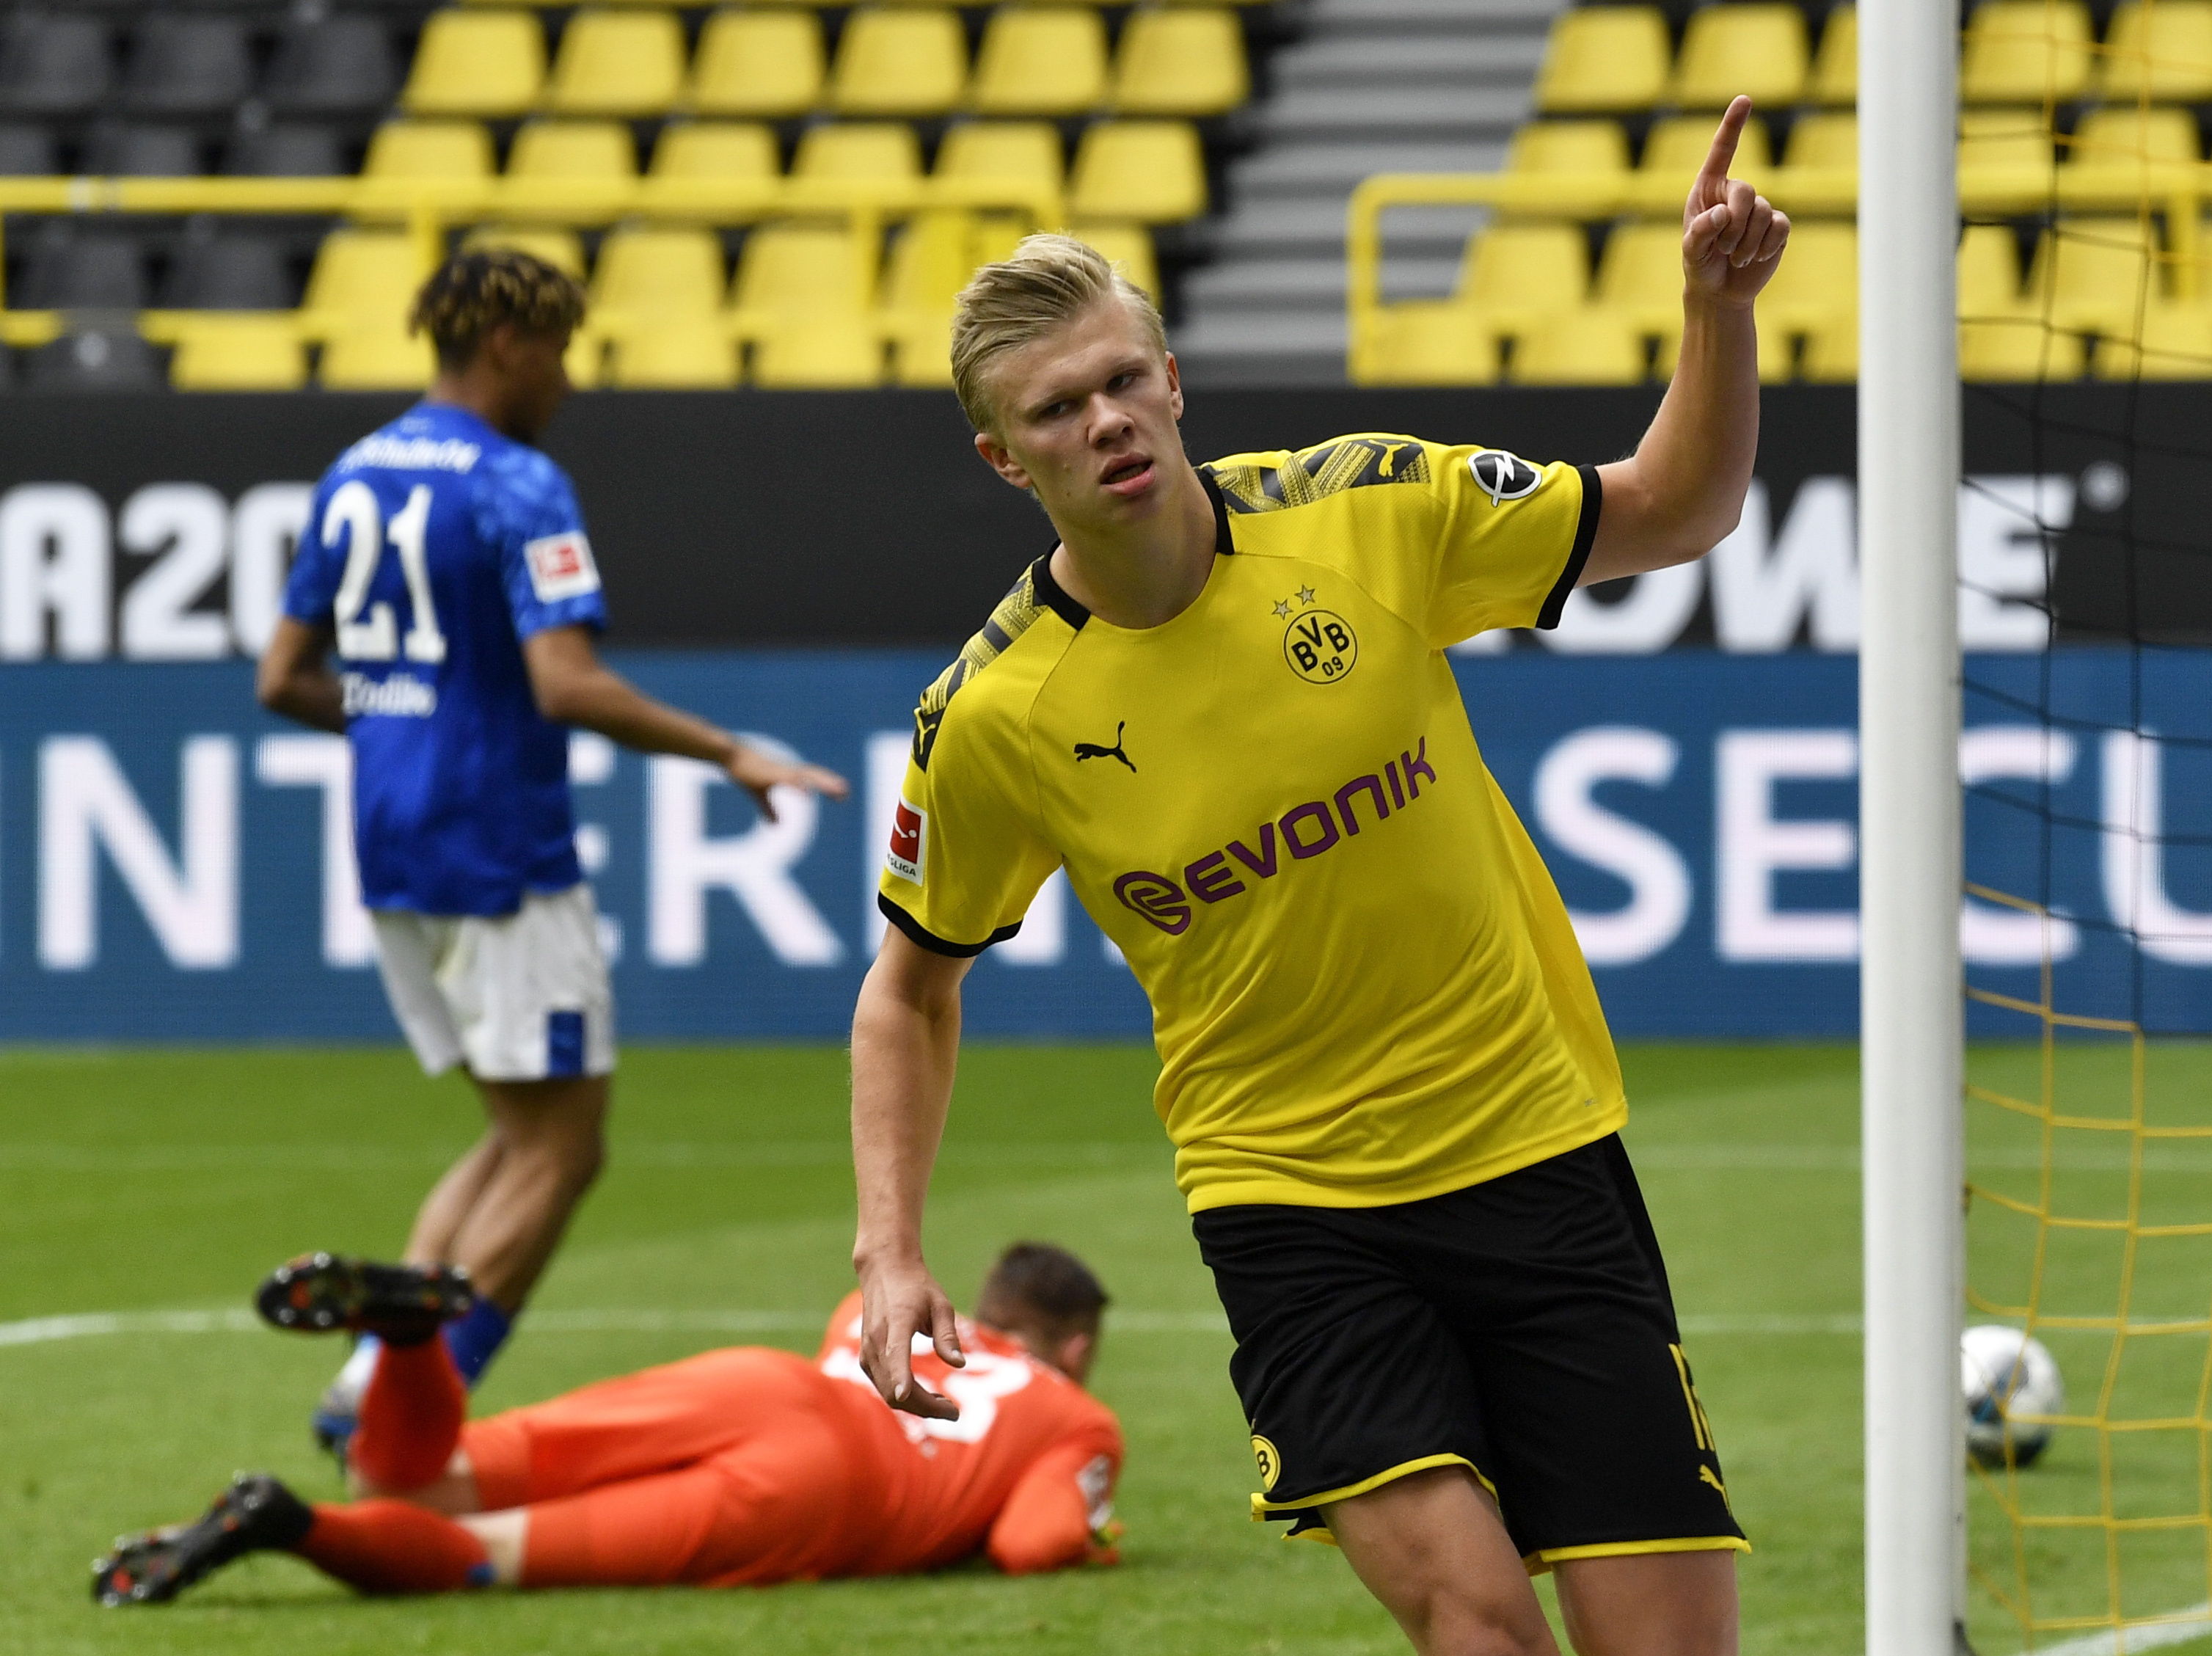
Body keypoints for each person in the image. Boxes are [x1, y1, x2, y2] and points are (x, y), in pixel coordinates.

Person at [847, 97, 1786, 1656]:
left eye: (1120, 380)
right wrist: (889, 1251)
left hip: (1537, 1147)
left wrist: (1713, 313)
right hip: (1292, 1205)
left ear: (1171, 378)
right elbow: (908, 988)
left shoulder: (1367, 509)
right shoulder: (996, 716)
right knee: (1477, 1622)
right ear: (1003, 460)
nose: (1104, 422)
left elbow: (1675, 507)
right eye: (1058, 409)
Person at [254, 248, 847, 1452]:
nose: (568, 380)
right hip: (497, 842)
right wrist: (729, 752)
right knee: (567, 1149)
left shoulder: (354, 472)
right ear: (510, 342)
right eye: (562, 351)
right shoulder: (518, 484)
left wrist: (400, 723)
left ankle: (370, 1372)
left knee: (518, 1131)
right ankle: (408, 1412)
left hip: (392, 839)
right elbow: (565, 684)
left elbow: (281, 678)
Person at [92, 1244, 1122, 1604]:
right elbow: (1034, 1543)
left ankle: (409, 1338)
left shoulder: (881, 1310)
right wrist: (1095, 1537)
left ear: (991, 1305)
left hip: (756, 1384)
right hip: (821, 1487)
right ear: (1072, 1346)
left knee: (415, 1476)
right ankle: (284, 1521)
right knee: (473, 1552)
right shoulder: (1074, 1414)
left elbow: (853, 1357)